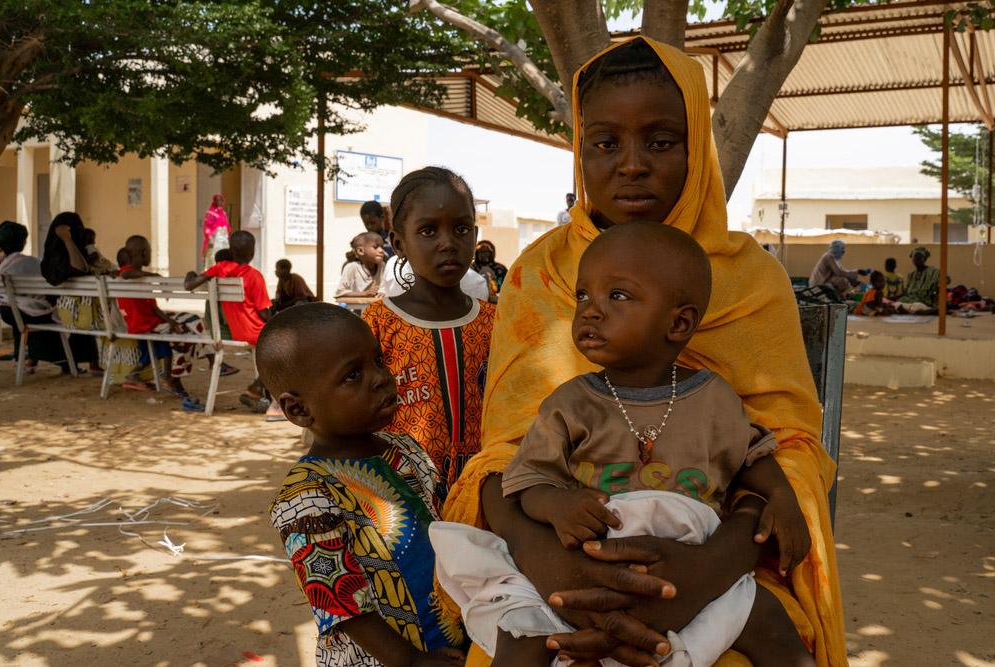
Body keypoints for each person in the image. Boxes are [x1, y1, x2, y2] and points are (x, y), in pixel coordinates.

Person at [441, 36, 845, 667]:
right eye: (605, 143)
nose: (631, 164)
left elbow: (785, 449)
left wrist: (710, 569)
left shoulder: (749, 280)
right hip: (552, 551)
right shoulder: (540, 272)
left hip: (720, 559)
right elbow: (505, 454)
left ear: (700, 152)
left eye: (661, 141)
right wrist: (546, 560)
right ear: (580, 150)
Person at [433, 223, 813, 667]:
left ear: (679, 322)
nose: (590, 311)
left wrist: (783, 496)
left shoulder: (714, 398)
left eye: (617, 296)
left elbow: (751, 457)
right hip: (587, 558)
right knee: (522, 634)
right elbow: (525, 480)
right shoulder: (571, 402)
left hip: (689, 563)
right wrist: (557, 505)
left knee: (770, 623)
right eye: (582, 296)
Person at [261, 303, 467, 667]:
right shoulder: (305, 497)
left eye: (378, 361)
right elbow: (339, 602)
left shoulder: (407, 449)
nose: (380, 378)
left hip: (451, 640)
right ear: (298, 411)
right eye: (352, 375)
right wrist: (410, 661)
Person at [362, 167, 496, 500]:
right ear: (399, 243)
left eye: (461, 229)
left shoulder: (496, 323)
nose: (448, 243)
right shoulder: (377, 324)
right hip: (400, 499)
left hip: (486, 496)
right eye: (428, 231)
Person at [116, 235, 235, 401]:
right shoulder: (129, 274)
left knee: (192, 320)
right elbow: (127, 274)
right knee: (186, 331)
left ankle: (209, 362)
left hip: (149, 321)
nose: (151, 253)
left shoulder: (137, 278)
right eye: (150, 250)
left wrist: (170, 321)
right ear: (143, 253)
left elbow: (152, 308)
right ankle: (175, 377)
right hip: (145, 325)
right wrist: (154, 275)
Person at [185, 231, 274, 416]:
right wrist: (279, 322)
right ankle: (256, 390)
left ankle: (259, 391)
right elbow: (264, 312)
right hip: (255, 332)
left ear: (231, 251)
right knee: (287, 346)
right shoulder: (254, 276)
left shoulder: (219, 269)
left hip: (235, 332)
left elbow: (190, 285)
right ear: (253, 252)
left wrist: (190, 274)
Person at [0, 221, 79, 374]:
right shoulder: (34, 263)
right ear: (23, 242)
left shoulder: (0, 266)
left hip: (8, 312)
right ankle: (63, 362)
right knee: (48, 314)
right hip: (30, 313)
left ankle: (30, 359)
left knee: (27, 315)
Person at [38, 212, 105, 375]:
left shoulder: (48, 260)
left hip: (65, 312)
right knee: (84, 313)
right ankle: (93, 363)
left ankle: (79, 362)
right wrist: (67, 239)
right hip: (65, 314)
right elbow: (80, 268)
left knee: (81, 311)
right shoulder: (58, 261)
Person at [336, 232, 386, 300]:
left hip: (377, 309)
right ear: (360, 251)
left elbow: (386, 288)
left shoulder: (382, 266)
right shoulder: (351, 268)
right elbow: (340, 292)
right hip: (355, 309)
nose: (381, 250)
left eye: (382, 247)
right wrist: (365, 293)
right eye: (375, 247)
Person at [897, 247, 940, 314]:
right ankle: (915, 311)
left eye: (919, 257)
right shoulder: (911, 274)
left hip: (924, 301)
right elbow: (907, 292)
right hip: (909, 300)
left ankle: (920, 311)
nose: (917, 259)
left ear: (924, 259)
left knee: (917, 306)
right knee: (897, 304)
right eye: (915, 257)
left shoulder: (933, 271)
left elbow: (944, 282)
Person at [202, 194, 232, 269]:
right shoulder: (210, 212)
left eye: (221, 200)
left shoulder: (223, 212)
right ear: (214, 201)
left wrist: (228, 235)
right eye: (217, 200)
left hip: (224, 240)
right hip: (215, 238)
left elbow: (226, 225)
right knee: (213, 256)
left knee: (224, 255)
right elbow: (207, 226)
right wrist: (210, 238)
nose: (219, 202)